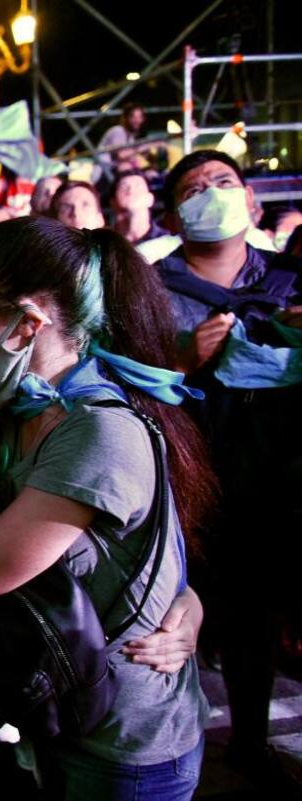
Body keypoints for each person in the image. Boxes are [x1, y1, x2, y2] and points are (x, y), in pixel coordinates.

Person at [0, 216, 214, 800]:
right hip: (59, 718)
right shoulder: (22, 409)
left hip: (126, 750)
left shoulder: (96, 432)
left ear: (26, 325)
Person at [155, 149, 302, 788]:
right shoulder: (152, 291)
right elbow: (122, 379)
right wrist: (182, 357)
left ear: (252, 201)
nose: (211, 194)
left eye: (224, 182)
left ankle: (248, 741)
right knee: (188, 610)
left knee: (262, 616)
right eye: (194, 188)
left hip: (284, 474)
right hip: (192, 474)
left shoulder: (292, 280)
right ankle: (172, 753)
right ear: (174, 214)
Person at [110, 170, 167, 245]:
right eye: (123, 186)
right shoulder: (103, 246)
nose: (131, 190)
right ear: (113, 202)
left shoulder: (169, 244)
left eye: (138, 186)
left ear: (150, 199)